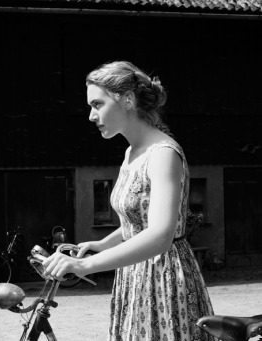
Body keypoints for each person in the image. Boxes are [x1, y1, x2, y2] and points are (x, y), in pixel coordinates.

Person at [42, 61, 215, 341]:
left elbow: (160, 235)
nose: (91, 115)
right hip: (134, 274)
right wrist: (99, 245)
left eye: (97, 104)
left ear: (128, 100)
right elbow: (138, 221)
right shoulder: (132, 153)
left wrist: (84, 267)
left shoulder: (163, 154)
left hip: (163, 277)